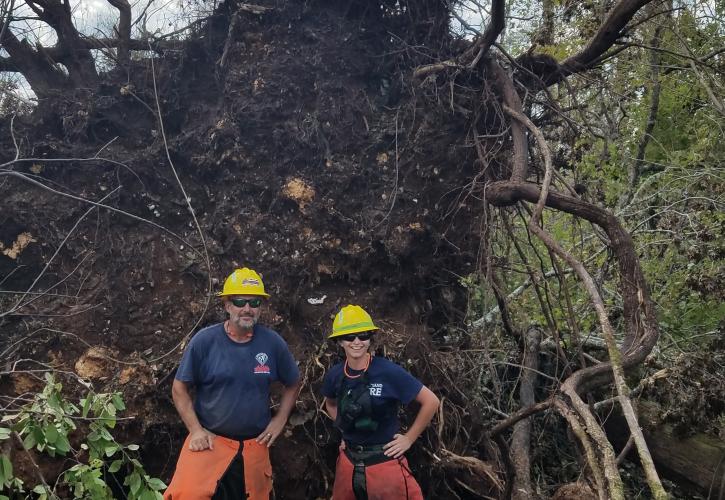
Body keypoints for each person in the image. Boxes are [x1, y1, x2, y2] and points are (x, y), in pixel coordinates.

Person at [164, 267, 300, 500]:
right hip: (211, 442)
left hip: (254, 446)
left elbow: (294, 382)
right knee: (185, 494)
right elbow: (179, 388)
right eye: (239, 301)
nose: (247, 308)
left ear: (260, 307)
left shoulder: (273, 343)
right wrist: (195, 430)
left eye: (254, 302)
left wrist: (280, 420)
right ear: (227, 305)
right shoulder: (204, 341)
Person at [322, 305, 440, 499]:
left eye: (363, 335)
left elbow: (431, 401)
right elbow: (331, 403)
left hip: (384, 463)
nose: (357, 342)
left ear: (370, 339)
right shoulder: (335, 375)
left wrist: (409, 439)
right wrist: (344, 430)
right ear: (340, 342)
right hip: (348, 464)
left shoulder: (387, 371)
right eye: (349, 337)